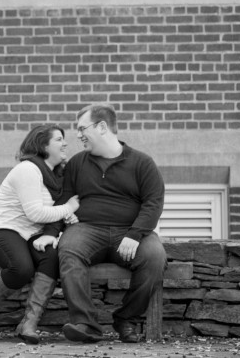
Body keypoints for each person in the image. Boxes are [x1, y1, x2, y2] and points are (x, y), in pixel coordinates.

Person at [55, 104, 167, 344]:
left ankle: (126, 319)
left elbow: (153, 203)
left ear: (102, 126)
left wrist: (135, 234)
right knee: (69, 249)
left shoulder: (142, 163)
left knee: (154, 257)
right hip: (86, 229)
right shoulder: (76, 163)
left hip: (130, 232)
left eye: (82, 128)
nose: (78, 135)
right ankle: (85, 324)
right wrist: (62, 223)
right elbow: (64, 200)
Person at [0, 124, 80, 343]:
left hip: (30, 235)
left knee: (51, 258)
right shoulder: (27, 169)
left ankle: (29, 323)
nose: (65, 143)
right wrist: (68, 208)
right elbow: (36, 212)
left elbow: (51, 212)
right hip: (3, 229)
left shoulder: (56, 176)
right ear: (43, 145)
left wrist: (67, 216)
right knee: (21, 269)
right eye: (59, 139)